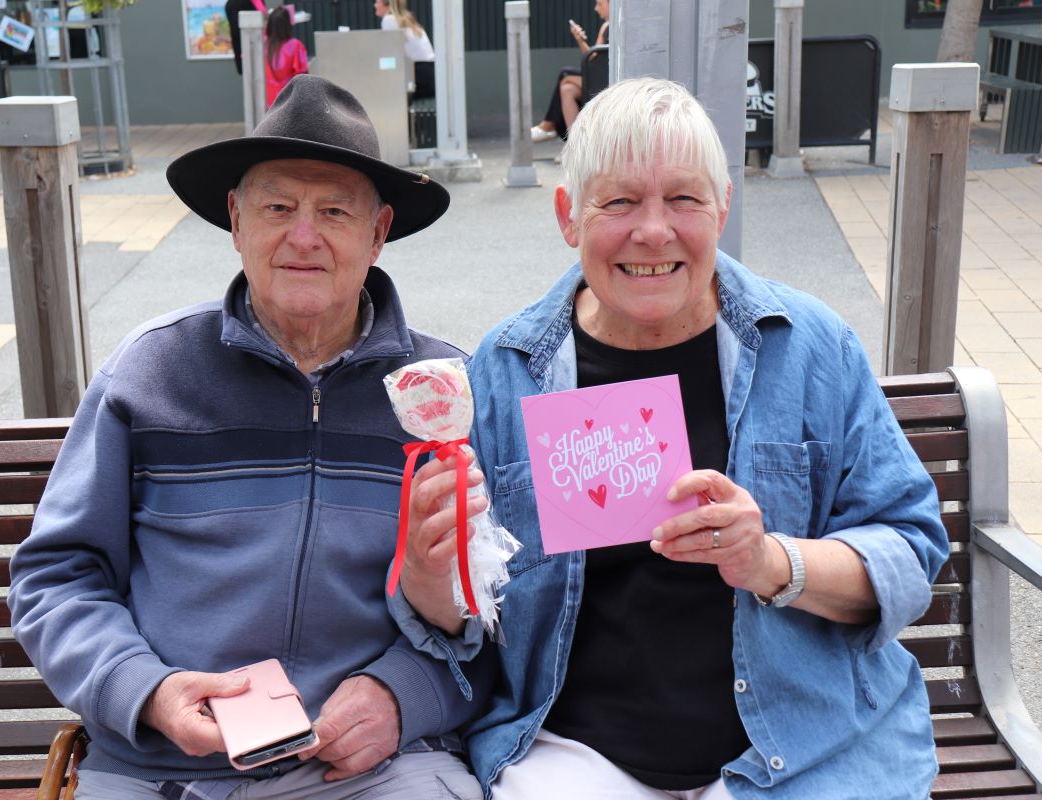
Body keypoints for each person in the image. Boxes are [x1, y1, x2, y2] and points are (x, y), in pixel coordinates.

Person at [393, 78, 949, 799]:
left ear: (722, 207)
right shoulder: (507, 370)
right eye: (619, 201)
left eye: (684, 199)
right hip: (577, 753)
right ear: (569, 216)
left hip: (804, 746)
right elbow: (463, 623)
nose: (653, 231)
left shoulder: (810, 347)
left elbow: (909, 548)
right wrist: (430, 574)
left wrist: (771, 561)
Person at [8, 75, 489, 800]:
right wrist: (148, 691)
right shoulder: (151, 372)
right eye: (277, 207)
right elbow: (55, 578)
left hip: (373, 768)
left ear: (378, 231)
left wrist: (404, 695)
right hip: (161, 768)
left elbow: (510, 608)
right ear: (236, 220)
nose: (304, 236)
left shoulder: (444, 394)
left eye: (333, 211)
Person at [530, 0, 609, 143]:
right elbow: (593, 60)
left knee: (565, 74)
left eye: (600, 4)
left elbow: (593, 62)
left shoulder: (617, 27)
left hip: (609, 82)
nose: (596, 9)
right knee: (567, 90)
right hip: (600, 79)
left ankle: (548, 125)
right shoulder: (605, 27)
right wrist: (579, 39)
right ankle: (574, 145)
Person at [374, 0, 434, 99]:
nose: (375, 5)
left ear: (387, 5)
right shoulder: (408, 20)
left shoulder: (388, 20)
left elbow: (389, 53)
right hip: (430, 73)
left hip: (418, 75)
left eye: (377, 2)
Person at [264, 6, 307, 107]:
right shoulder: (296, 46)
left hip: (269, 105)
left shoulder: (262, 46)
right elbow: (303, 77)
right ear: (288, 25)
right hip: (290, 104)